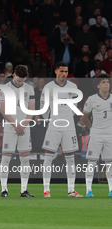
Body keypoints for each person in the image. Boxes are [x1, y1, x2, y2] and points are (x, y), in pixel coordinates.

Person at [41, 62, 82, 198]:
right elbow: (43, 108)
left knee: (70, 159)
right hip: (54, 127)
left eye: (66, 71)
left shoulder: (73, 86)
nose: (64, 74)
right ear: (56, 71)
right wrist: (51, 120)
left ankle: (71, 190)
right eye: (62, 71)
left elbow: (75, 106)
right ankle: (46, 190)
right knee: (48, 157)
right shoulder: (48, 87)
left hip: (69, 127)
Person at [0, 65, 35, 197]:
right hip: (10, 127)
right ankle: (4, 189)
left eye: (23, 80)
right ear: (13, 75)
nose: (21, 83)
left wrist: (23, 125)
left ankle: (24, 190)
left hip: (25, 128)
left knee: (25, 159)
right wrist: (15, 125)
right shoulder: (6, 88)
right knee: (6, 158)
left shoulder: (29, 88)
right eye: (19, 80)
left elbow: (31, 109)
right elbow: (3, 110)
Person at [82, 74, 112, 197]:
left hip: (110, 135)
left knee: (109, 163)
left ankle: (111, 189)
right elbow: (84, 117)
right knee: (92, 162)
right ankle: (89, 189)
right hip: (96, 134)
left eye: (108, 82)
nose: (107, 84)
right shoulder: (91, 99)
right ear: (98, 85)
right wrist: (92, 129)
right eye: (104, 82)